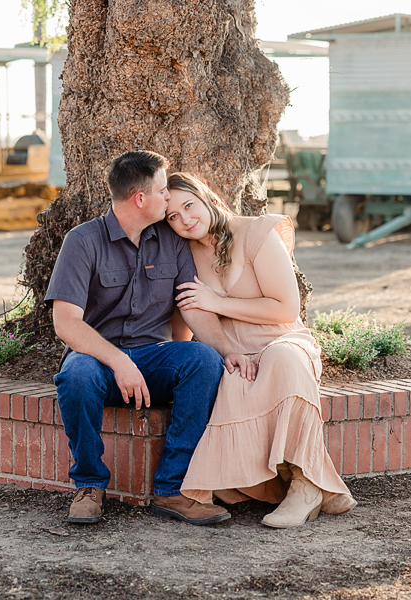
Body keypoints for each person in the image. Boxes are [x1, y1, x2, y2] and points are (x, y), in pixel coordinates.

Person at [45, 151, 256, 526]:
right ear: (140, 199)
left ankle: (172, 490)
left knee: (203, 361)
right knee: (76, 375)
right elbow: (67, 324)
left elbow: (191, 306)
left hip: (154, 360)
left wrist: (227, 349)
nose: (168, 197)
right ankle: (89, 485)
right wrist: (119, 361)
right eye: (162, 191)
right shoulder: (83, 241)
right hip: (98, 361)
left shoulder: (172, 241)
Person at [164, 172, 356, 529]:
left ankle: (305, 486)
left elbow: (286, 308)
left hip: (281, 340)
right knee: (230, 381)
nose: (185, 219)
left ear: (206, 197)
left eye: (189, 206)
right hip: (235, 351)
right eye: (173, 216)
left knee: (283, 361)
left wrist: (218, 302)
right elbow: (186, 318)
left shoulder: (256, 232)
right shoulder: (182, 253)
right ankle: (307, 486)